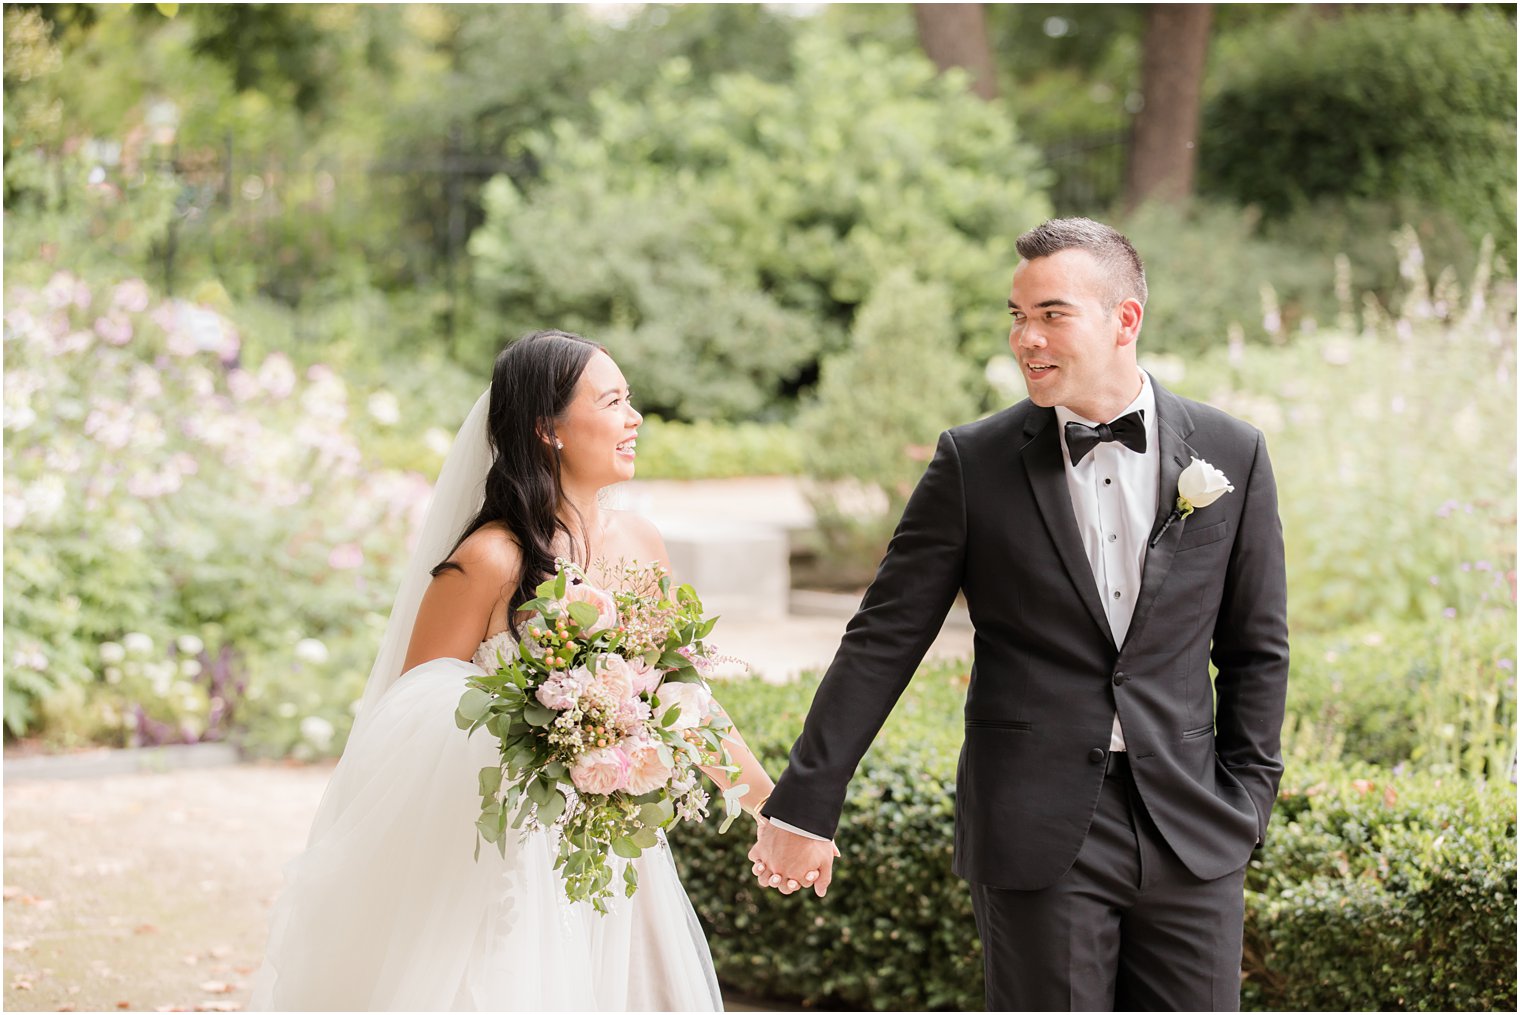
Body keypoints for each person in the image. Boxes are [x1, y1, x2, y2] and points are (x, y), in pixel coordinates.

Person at [749, 218, 1289, 1011]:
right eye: (1016, 315)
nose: (1025, 338)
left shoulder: (1231, 451)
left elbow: (1257, 648)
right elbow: (883, 640)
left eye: (1051, 314)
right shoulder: (973, 462)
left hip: (1192, 827)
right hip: (1038, 831)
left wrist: (1247, 801)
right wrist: (805, 801)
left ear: (1124, 319)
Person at [252, 330, 788, 1011]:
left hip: (614, 852)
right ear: (547, 428)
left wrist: (773, 809)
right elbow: (408, 718)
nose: (635, 419)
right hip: (503, 860)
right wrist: (562, 720)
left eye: (631, 400)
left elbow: (684, 693)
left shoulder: (642, 543)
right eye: (614, 400)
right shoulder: (489, 559)